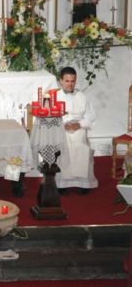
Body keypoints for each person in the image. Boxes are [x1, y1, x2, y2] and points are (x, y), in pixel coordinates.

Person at [56, 66, 98, 194]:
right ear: (61, 81)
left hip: (79, 128)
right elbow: (49, 117)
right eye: (67, 81)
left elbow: (91, 117)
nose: (70, 84)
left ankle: (82, 183)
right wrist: (62, 125)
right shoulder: (54, 97)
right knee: (65, 146)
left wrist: (79, 124)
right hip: (61, 129)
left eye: (72, 81)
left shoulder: (82, 96)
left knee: (81, 145)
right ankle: (62, 184)